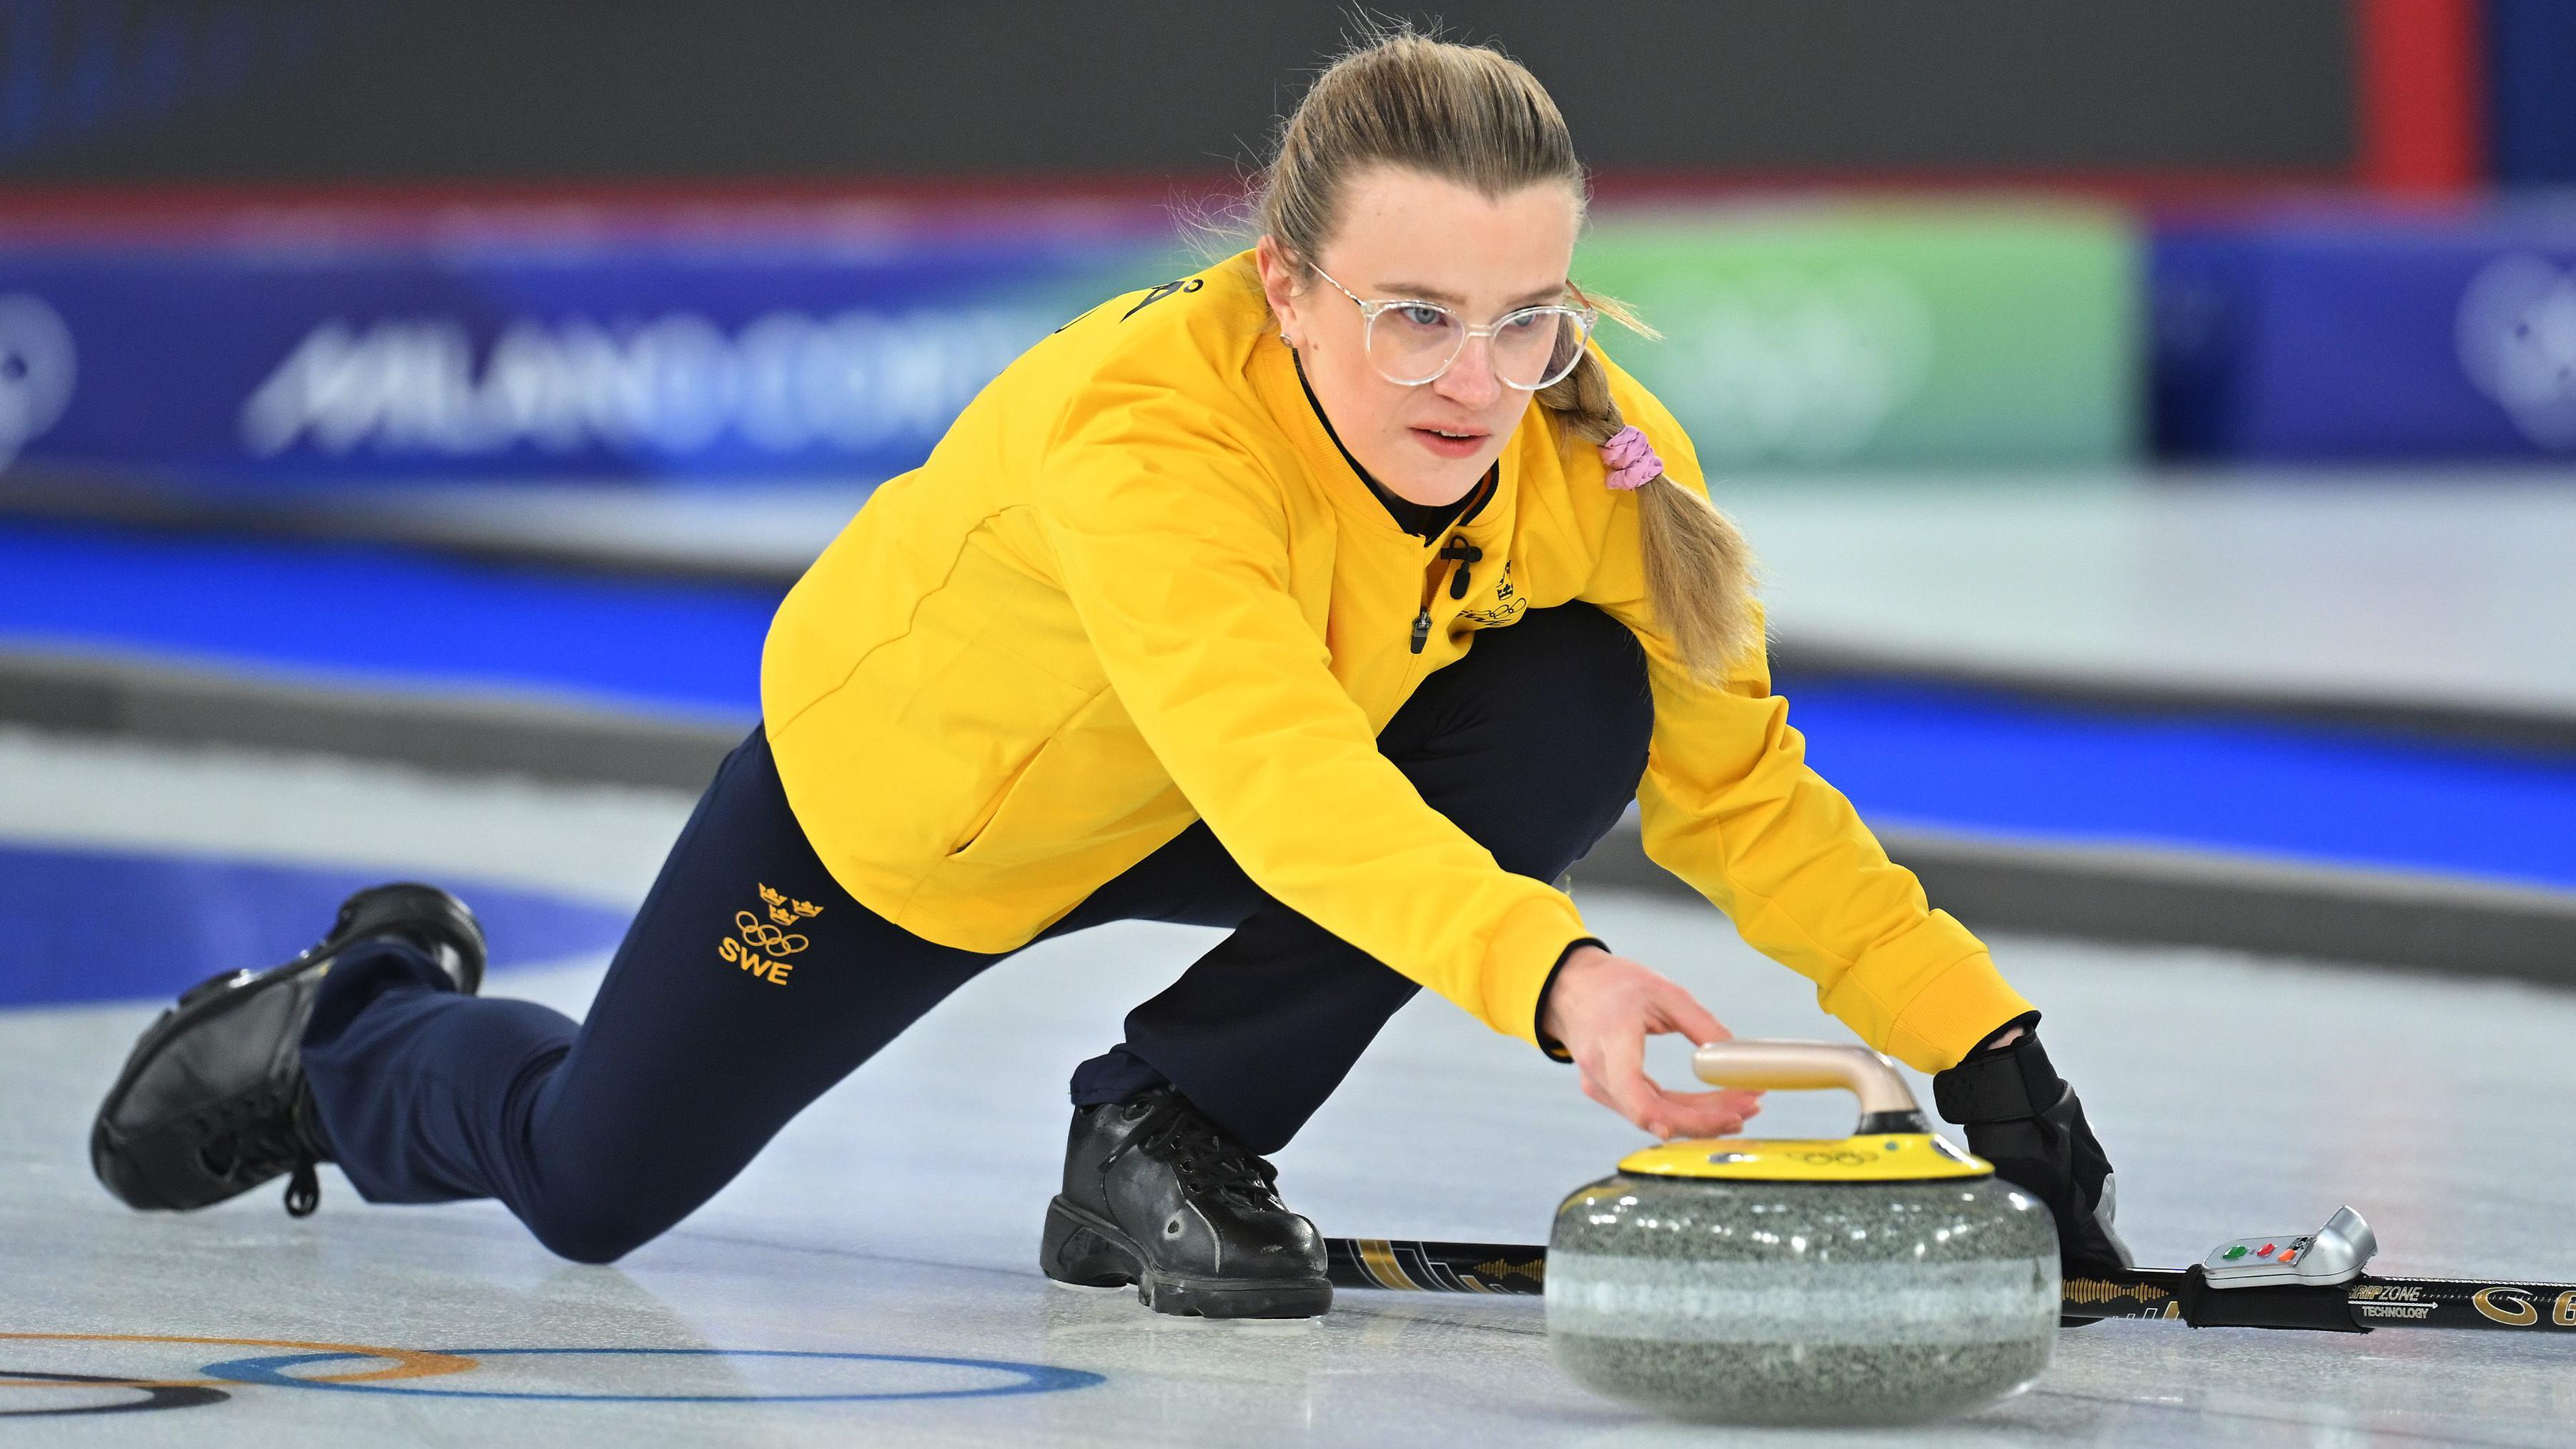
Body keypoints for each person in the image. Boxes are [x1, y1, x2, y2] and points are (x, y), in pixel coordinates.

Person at [90, 30, 2128, 1320]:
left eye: (1525, 319)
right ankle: (348, 1024)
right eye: (1412, 315)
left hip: (1215, 800)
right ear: (1286, 286)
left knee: (1582, 695)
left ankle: (1162, 1130)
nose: (1472, 380)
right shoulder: (1150, 436)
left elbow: (1737, 794)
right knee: (587, 1185)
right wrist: (1565, 980)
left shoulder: (1591, 462)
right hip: (913, 821)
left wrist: (1981, 1046)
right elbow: (1288, 783)